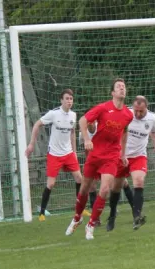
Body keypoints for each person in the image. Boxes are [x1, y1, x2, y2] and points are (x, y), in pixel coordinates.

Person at [65, 78, 133, 240]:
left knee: (104, 190)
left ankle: (91, 225)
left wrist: (122, 154)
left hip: (111, 157)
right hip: (95, 154)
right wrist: (88, 139)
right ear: (113, 93)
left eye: (124, 87)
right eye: (118, 87)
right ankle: (77, 218)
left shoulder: (128, 115)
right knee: (84, 189)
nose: (122, 88)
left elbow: (124, 132)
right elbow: (82, 120)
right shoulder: (103, 108)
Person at [106, 95, 155, 231]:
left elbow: (154, 131)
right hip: (121, 156)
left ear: (146, 109)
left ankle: (136, 217)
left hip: (139, 156)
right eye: (136, 110)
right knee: (115, 188)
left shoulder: (152, 118)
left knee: (138, 181)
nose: (138, 114)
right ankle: (112, 215)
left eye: (141, 111)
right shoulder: (125, 114)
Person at [25, 89, 82, 222]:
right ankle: (42, 213)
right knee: (51, 184)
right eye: (67, 98)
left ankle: (80, 208)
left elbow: (72, 133)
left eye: (71, 99)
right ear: (61, 100)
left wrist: (74, 152)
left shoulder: (73, 115)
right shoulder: (54, 114)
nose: (69, 101)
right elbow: (37, 124)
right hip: (54, 154)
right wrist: (31, 144)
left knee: (80, 178)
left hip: (68, 153)